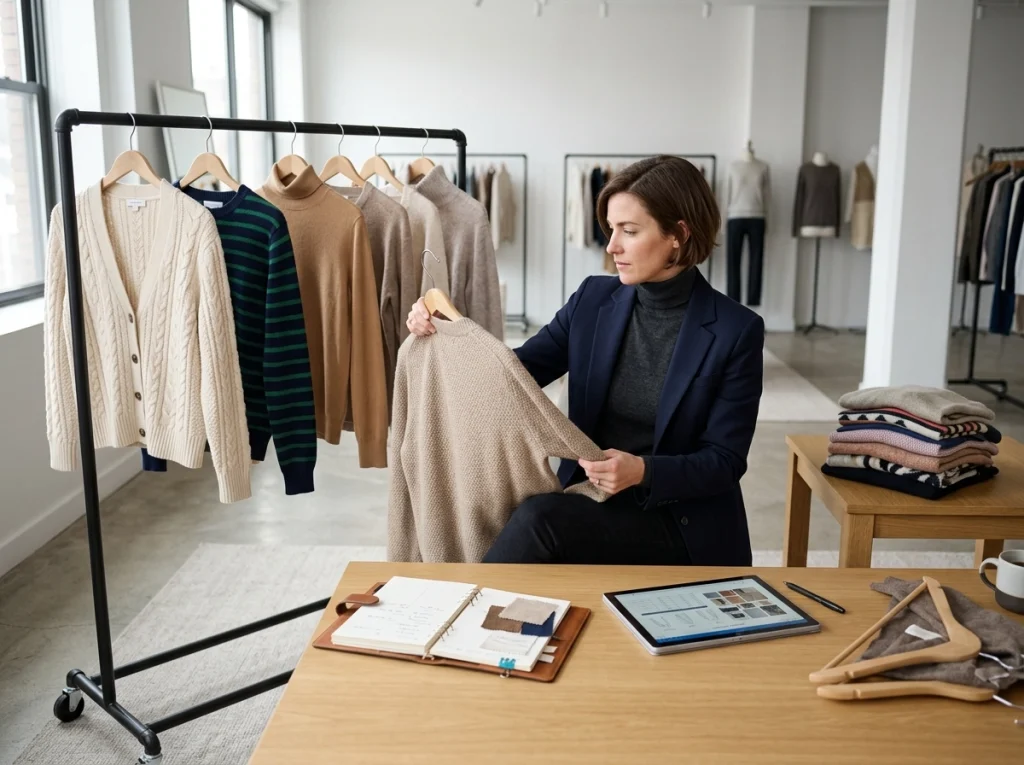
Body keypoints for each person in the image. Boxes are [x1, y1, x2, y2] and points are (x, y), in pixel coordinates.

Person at [406, 156, 764, 566]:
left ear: (678, 234)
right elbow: (512, 373)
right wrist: (442, 329)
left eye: (630, 231)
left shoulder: (736, 330)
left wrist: (642, 470)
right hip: (591, 496)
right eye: (611, 228)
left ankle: (467, 602)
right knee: (500, 512)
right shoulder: (593, 299)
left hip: (677, 519)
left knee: (539, 521)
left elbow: (724, 461)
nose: (612, 246)